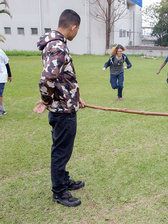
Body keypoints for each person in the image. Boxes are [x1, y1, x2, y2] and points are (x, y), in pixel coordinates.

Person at [33, 9, 85, 207]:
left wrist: (76, 97)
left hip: (64, 105)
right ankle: (60, 192)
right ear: (72, 27)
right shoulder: (58, 47)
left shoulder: (54, 45)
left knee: (62, 149)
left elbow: (62, 79)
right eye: (77, 29)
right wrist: (46, 102)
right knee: (61, 152)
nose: (76, 33)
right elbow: (47, 79)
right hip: (62, 111)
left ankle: (63, 181)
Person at [0, 48, 12, 116]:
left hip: (1, 76)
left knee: (0, 94)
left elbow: (6, 63)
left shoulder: (1, 52)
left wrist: (9, 75)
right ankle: (2, 110)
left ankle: (1, 111)